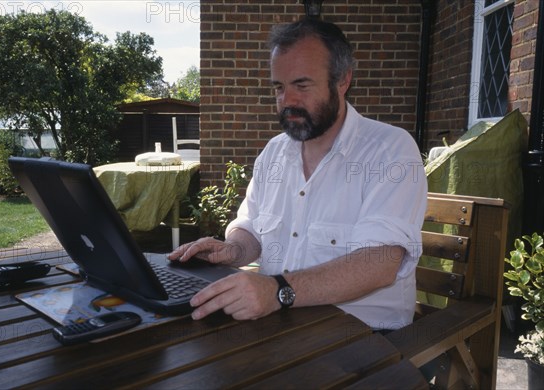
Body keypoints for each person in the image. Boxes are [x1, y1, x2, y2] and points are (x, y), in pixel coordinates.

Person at [168, 18, 427, 331]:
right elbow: (252, 227)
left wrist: (278, 291)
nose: (287, 101)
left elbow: (380, 263)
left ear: (342, 81)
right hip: (280, 328)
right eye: (280, 87)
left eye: (302, 86)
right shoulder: (274, 153)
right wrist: (234, 249)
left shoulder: (390, 151)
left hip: (365, 337)